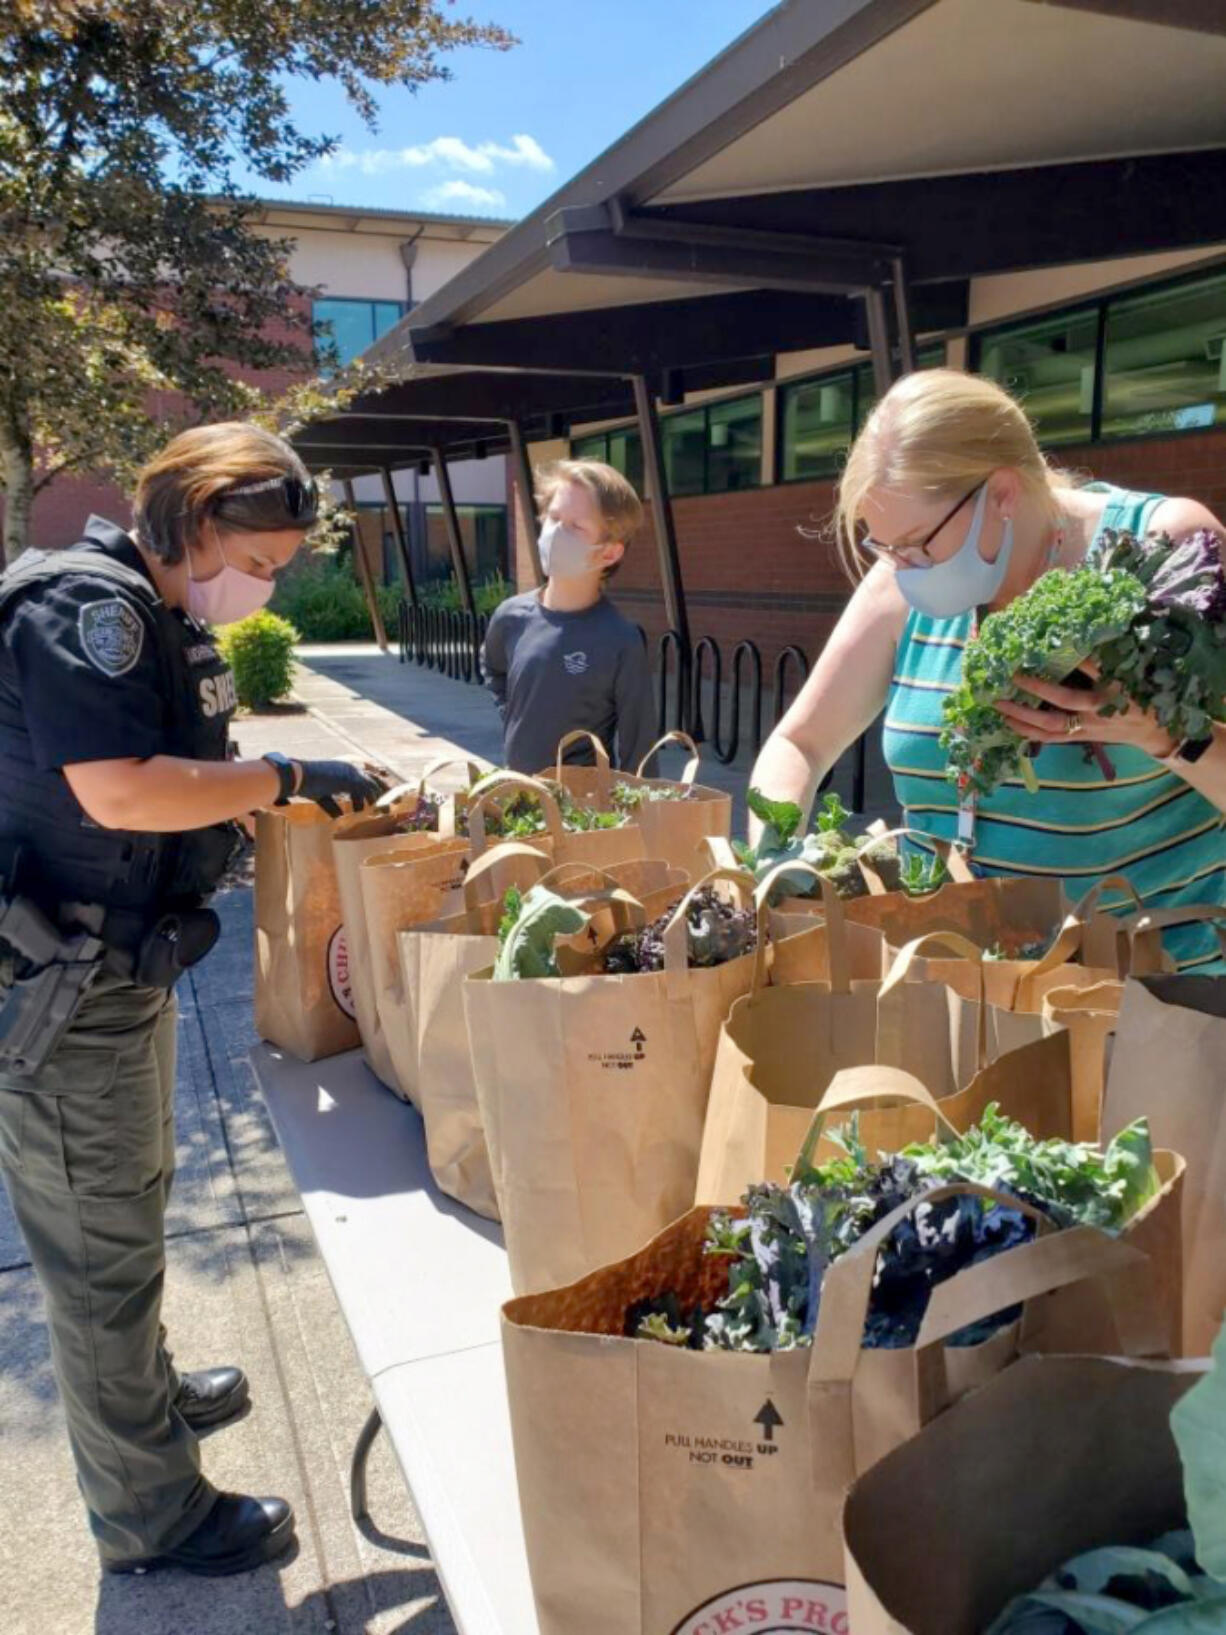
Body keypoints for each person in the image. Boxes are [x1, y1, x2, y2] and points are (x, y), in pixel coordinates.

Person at [0, 423, 384, 1577]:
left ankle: (148, 1399)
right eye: (257, 562)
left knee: (127, 1209)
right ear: (197, 518)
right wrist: (285, 777)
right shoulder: (86, 607)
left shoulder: (146, 611)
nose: (260, 587)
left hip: (116, 974)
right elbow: (118, 791)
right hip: (63, 994)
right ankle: (149, 1514)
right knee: (98, 1257)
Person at [750, 369, 1226, 971]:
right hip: (950, 987)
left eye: (920, 543)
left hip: (1142, 998)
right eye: (887, 548)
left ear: (1002, 493)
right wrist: (774, 848)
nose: (905, 566)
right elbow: (801, 741)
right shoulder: (900, 585)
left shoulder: (1170, 547)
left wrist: (1168, 736)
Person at [481, 458, 656, 775]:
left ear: (610, 552)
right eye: (554, 517)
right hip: (518, 798)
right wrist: (514, 716)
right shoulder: (510, 617)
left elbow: (639, 747)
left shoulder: (620, 640)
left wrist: (642, 817)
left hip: (584, 812)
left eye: (577, 526)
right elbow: (493, 668)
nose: (557, 532)